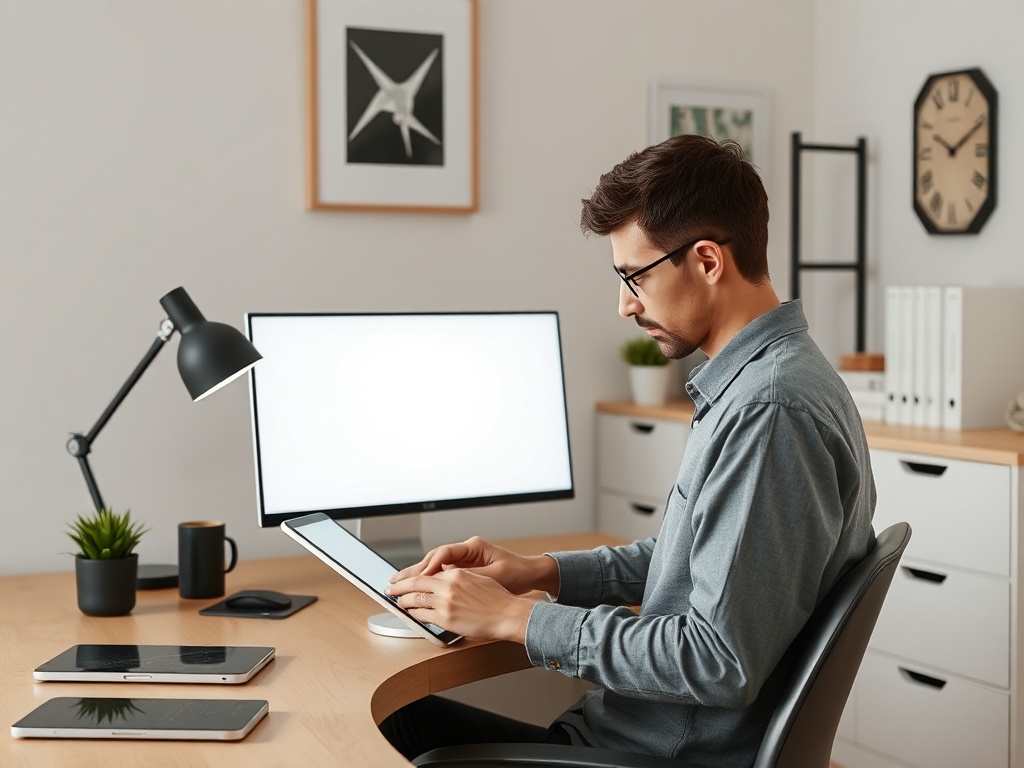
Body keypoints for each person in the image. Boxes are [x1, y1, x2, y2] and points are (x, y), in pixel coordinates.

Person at [383, 134, 876, 765]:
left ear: (706, 260)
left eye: (634, 276)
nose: (623, 305)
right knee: (400, 721)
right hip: (632, 738)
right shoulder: (768, 381)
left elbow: (717, 660)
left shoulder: (768, 411)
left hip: (652, 755)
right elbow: (703, 566)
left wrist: (517, 620)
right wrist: (540, 572)